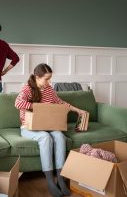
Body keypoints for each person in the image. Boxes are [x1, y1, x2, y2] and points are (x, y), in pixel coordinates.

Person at [15, 63, 88, 197]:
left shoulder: (48, 89)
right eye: (46, 79)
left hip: (48, 125)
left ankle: (60, 177)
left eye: (50, 78)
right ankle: (50, 181)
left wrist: (78, 110)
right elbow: (18, 103)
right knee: (45, 138)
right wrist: (37, 107)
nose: (49, 82)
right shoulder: (27, 88)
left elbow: (59, 102)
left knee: (60, 136)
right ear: (37, 77)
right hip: (29, 127)